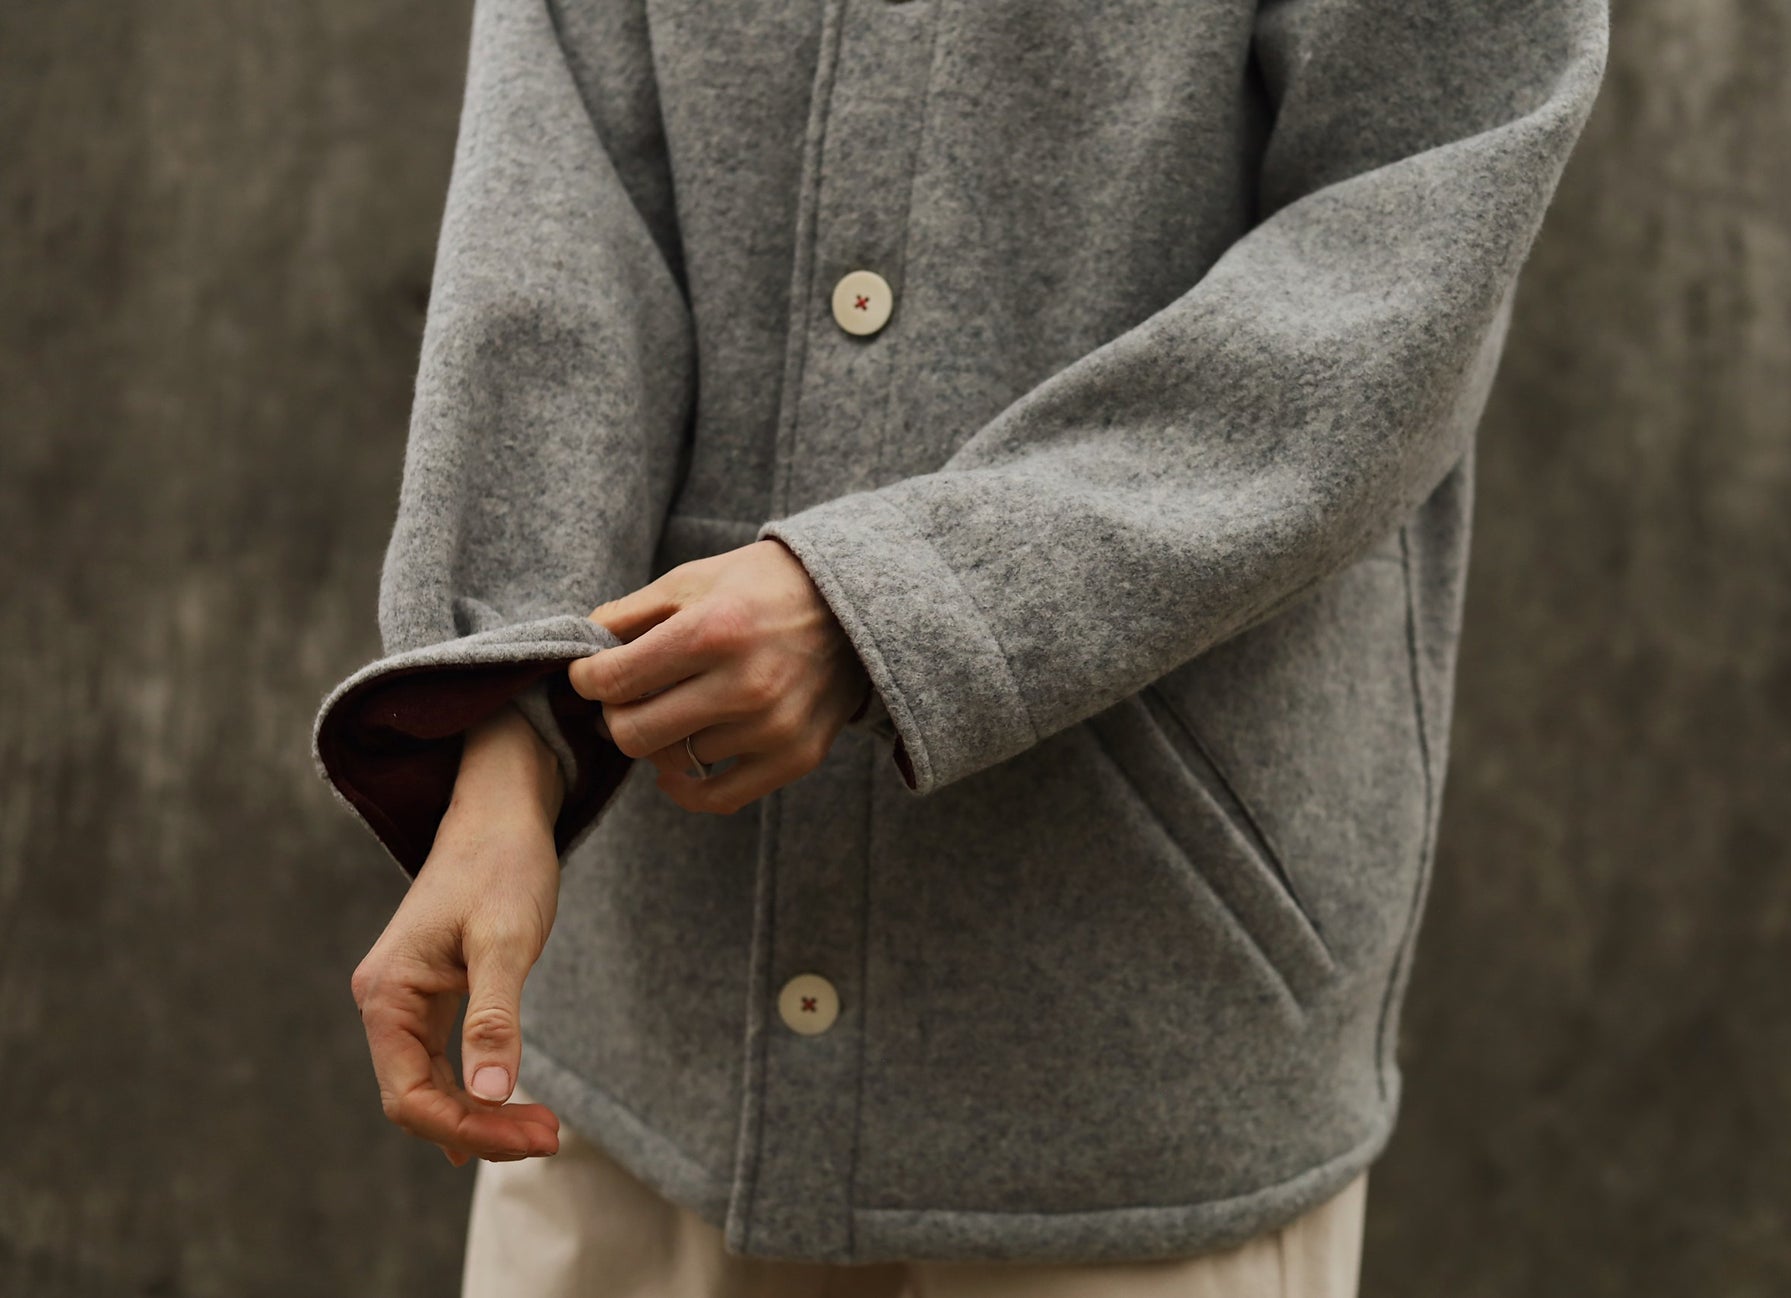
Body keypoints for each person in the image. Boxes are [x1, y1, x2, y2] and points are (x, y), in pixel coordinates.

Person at [312, 0, 1609, 1294]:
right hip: (643, 1031)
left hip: (1127, 1033)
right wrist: (507, 735)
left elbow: (1404, 247)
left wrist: (895, 602)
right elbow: (553, 212)